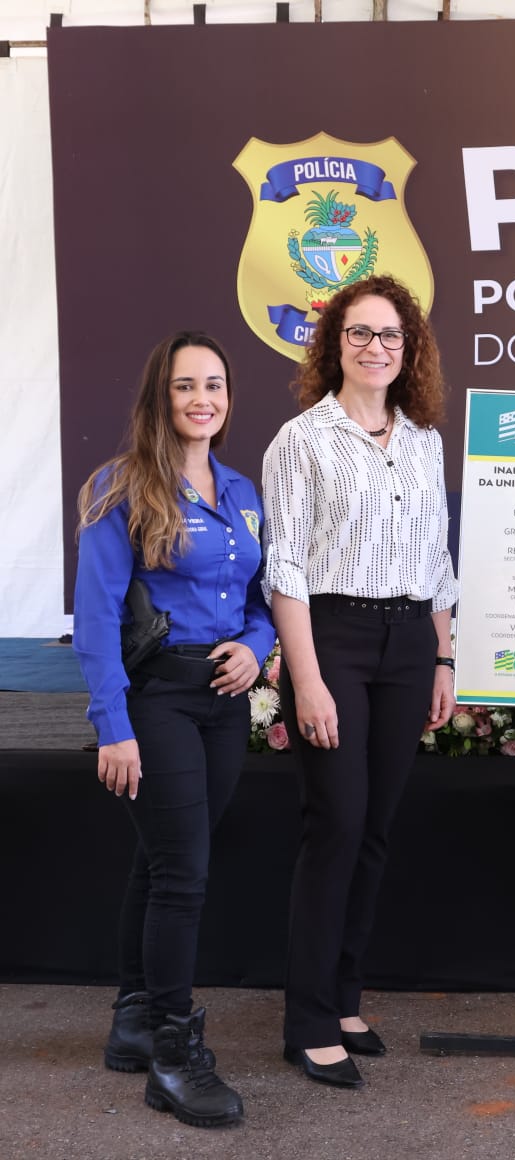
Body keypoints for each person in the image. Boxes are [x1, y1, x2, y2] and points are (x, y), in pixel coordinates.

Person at [73, 332, 275, 1128]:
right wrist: (112, 726)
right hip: (154, 701)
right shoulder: (120, 485)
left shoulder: (242, 491)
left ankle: (133, 1018)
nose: (202, 399)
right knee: (184, 876)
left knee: (161, 863)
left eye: (214, 385)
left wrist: (257, 647)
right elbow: (95, 619)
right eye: (186, 385)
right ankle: (171, 1051)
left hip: (221, 703)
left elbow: (261, 600)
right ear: (161, 395)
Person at [262, 274, 458, 1088]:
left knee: (374, 829)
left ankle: (344, 1000)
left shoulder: (423, 439)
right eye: (359, 333)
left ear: (408, 348)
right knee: (336, 826)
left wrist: (442, 658)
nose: (375, 347)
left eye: (389, 335)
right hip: (333, 640)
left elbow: (436, 562)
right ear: (334, 344)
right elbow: (285, 569)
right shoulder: (300, 440)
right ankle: (307, 1021)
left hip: (410, 642)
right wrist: (306, 681)